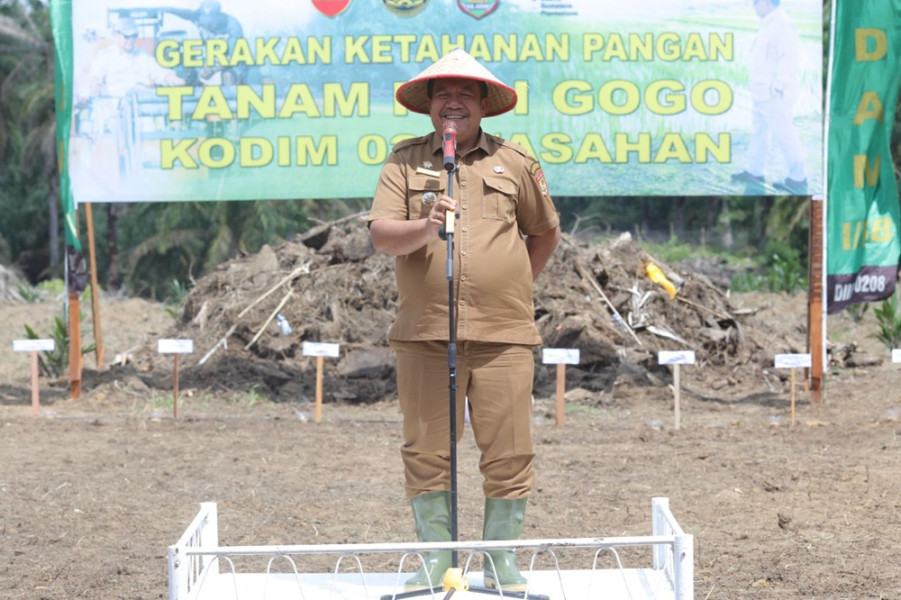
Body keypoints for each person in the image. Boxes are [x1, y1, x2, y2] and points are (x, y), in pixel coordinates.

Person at [367, 49, 561, 592]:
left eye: (465, 93)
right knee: (427, 450)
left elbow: (544, 232)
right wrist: (425, 227)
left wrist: (513, 283)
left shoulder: (516, 163)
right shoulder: (405, 162)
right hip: (426, 333)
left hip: (504, 336)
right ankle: (436, 561)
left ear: (482, 105)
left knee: (510, 447)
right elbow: (382, 235)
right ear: (430, 106)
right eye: (442, 93)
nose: (453, 102)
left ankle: (502, 562)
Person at [731, 0, 808, 194]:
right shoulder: (767, 24)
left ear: (765, 3)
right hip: (760, 91)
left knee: (785, 135)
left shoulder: (783, 23)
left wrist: (778, 87)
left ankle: (798, 177)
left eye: (755, 3)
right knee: (759, 132)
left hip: (774, 93)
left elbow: (789, 59)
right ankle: (754, 171)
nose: (753, 6)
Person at [163, 0, 247, 85]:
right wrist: (165, 9)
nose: (206, 25)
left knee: (228, 76)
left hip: (230, 65)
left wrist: (214, 69)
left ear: (218, 17)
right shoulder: (197, 17)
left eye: (210, 22)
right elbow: (184, 13)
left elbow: (234, 56)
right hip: (210, 61)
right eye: (204, 22)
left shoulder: (232, 25)